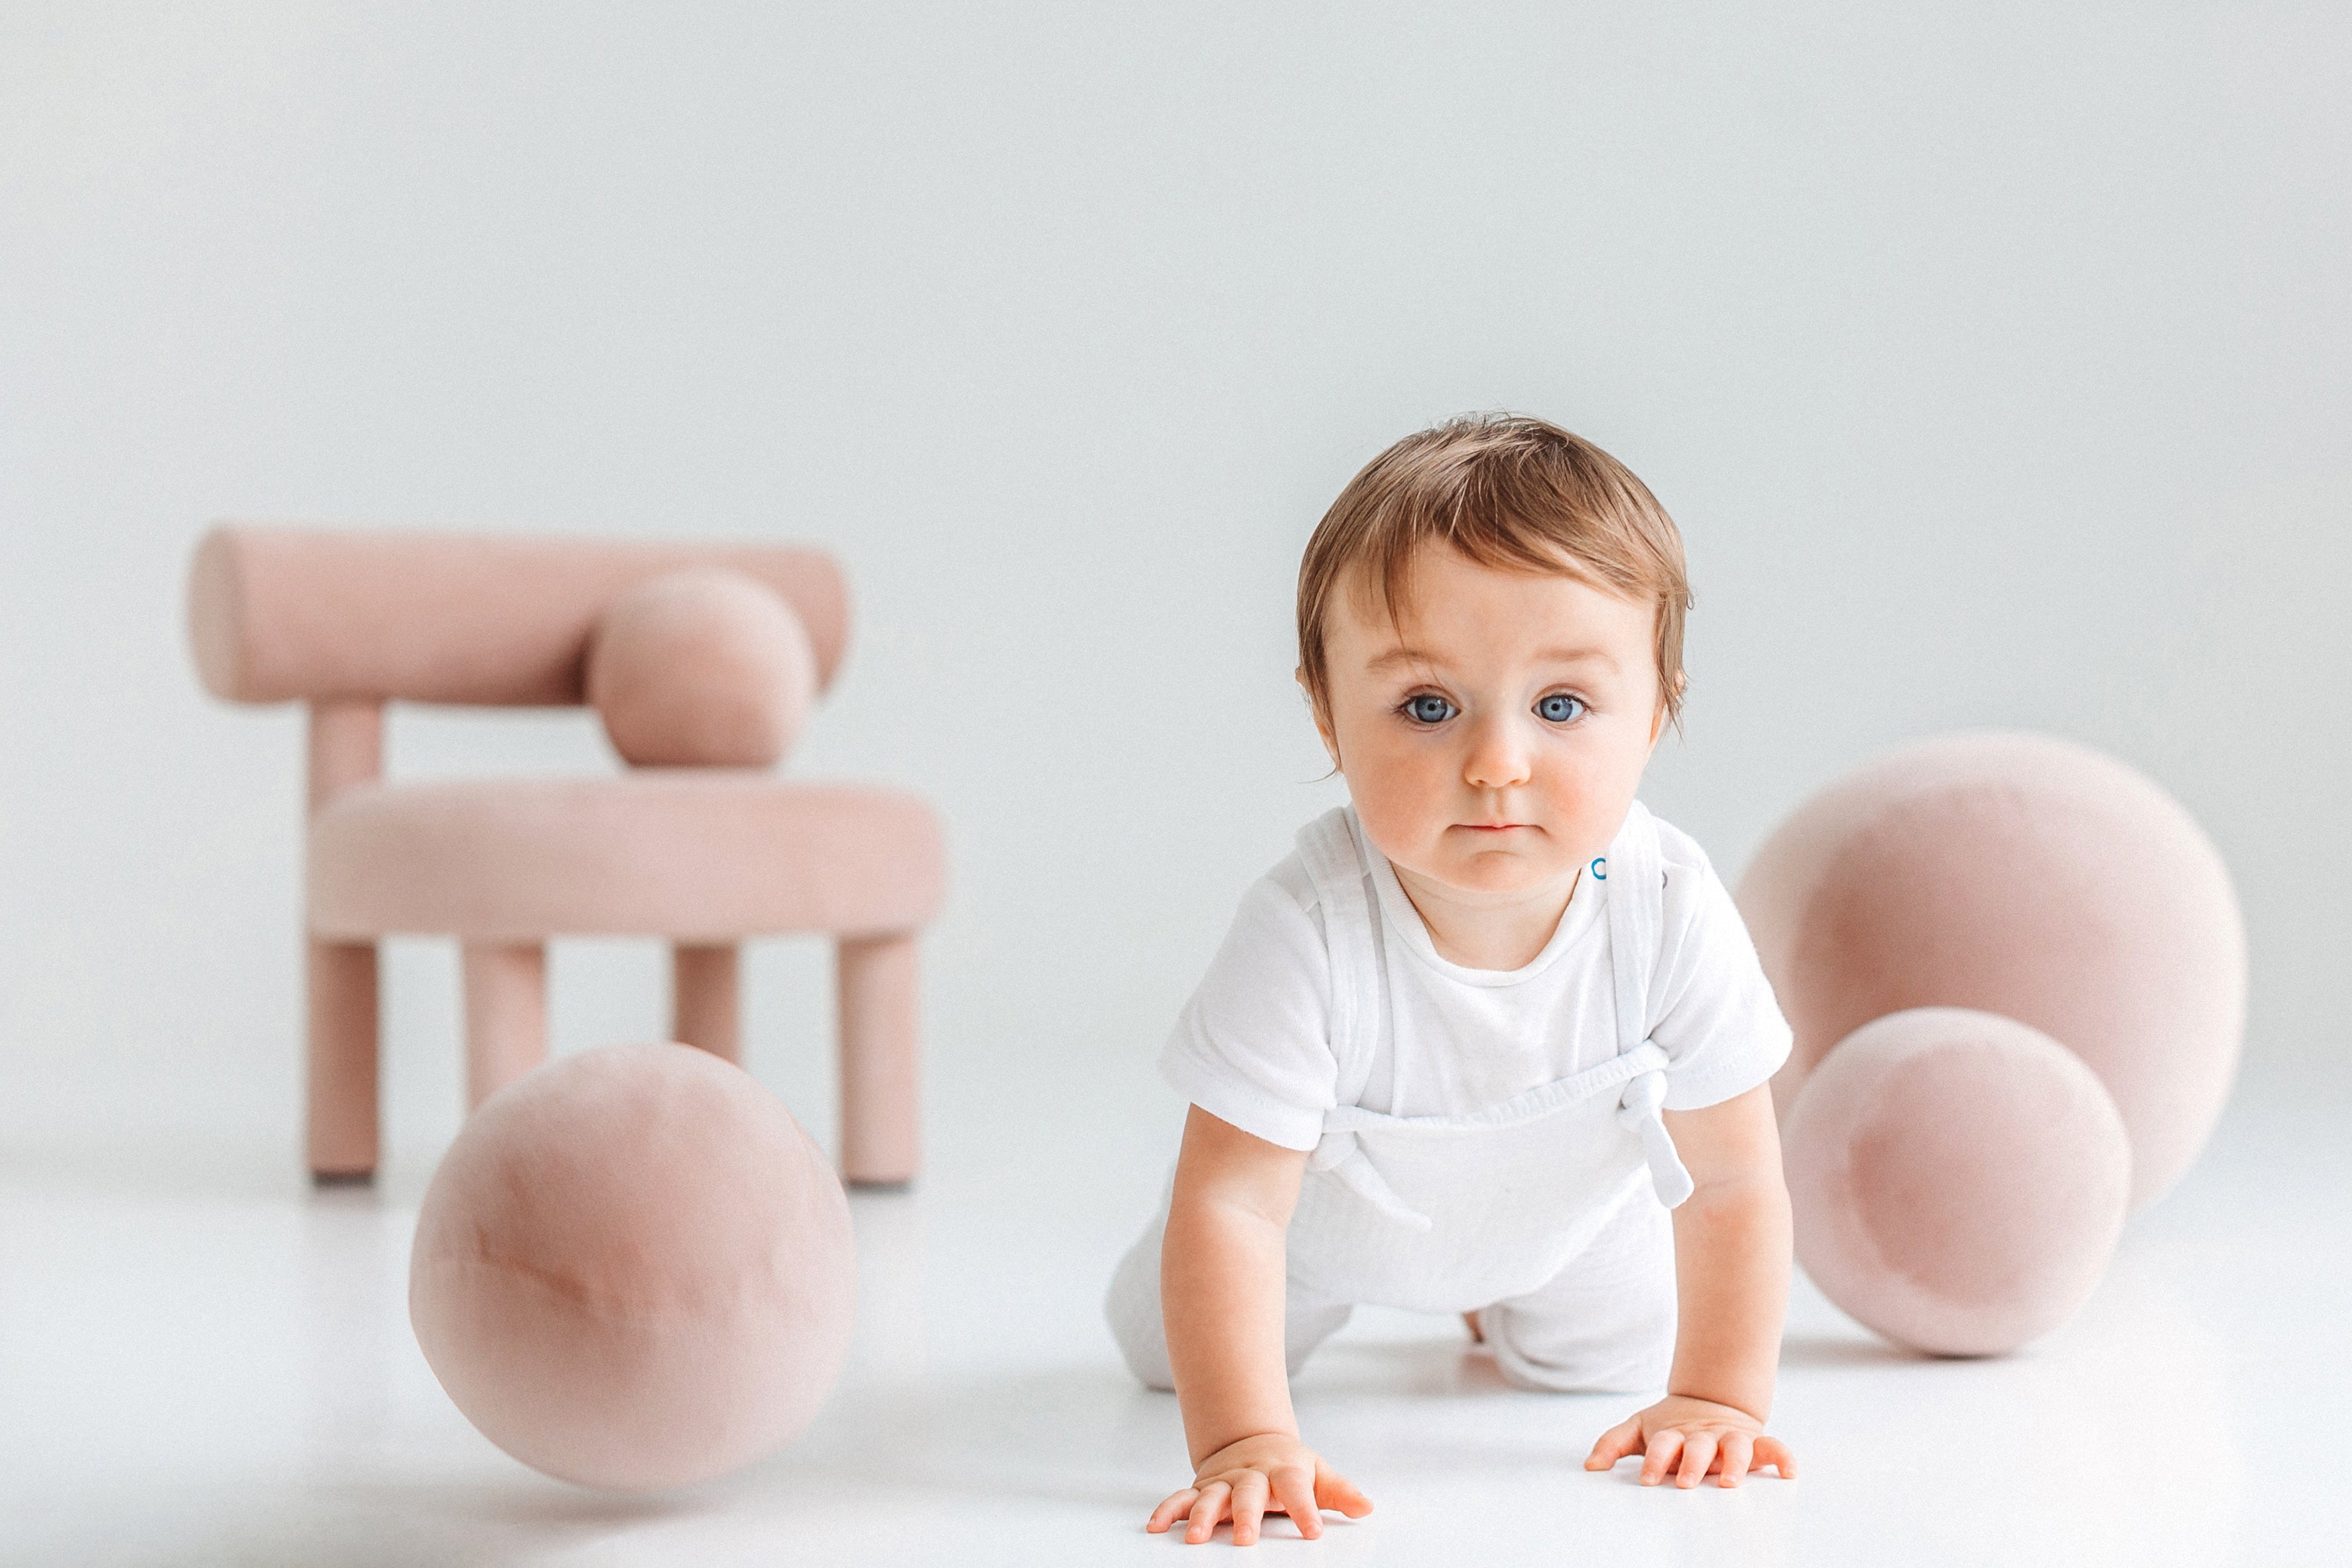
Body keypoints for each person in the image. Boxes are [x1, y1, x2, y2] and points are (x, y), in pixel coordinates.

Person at [1105, 414, 1799, 1546]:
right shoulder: (1309, 927)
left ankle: (1500, 1300)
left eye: (1561, 706)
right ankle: (1272, 1355)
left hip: (1571, 1225)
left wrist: (1719, 1396)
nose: (1496, 761)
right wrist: (1243, 1441)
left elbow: (1731, 1182)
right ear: (1329, 711)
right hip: (1326, 1228)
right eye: (1428, 707)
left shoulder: (1667, 905)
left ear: (1656, 715)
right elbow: (1233, 1201)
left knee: (1604, 1369)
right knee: (1156, 1353)